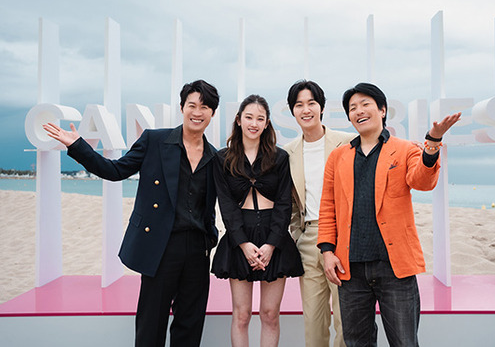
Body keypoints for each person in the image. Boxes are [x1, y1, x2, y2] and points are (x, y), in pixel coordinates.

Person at [43, 80, 220, 347]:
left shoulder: (215, 157)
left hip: (197, 249)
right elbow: (114, 171)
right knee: (151, 323)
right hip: (161, 245)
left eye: (204, 107)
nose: (197, 112)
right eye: (192, 105)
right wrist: (78, 145)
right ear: (181, 108)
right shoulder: (155, 140)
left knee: (190, 325)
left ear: (212, 113)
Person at [317, 82, 461, 347]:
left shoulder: (404, 149)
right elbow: (327, 207)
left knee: (404, 342)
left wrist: (433, 142)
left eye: (365, 104)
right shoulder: (338, 157)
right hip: (351, 270)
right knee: (357, 343)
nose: (359, 111)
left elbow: (423, 181)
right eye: (352, 108)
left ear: (382, 110)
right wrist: (327, 252)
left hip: (395, 268)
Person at [211, 94, 304, 347]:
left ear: (267, 123)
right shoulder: (222, 159)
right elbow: (226, 206)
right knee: (241, 315)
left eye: (260, 118)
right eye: (249, 117)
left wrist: (272, 244)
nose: (254, 123)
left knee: (270, 314)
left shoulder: (280, 157)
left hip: (273, 238)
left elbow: (285, 204)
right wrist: (242, 243)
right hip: (239, 237)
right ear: (239, 120)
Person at [283, 80, 354, 347]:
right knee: (313, 320)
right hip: (308, 237)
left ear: (321, 107)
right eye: (299, 104)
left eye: (311, 103)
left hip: (343, 237)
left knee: (346, 320)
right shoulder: (288, 152)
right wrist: (297, 233)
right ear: (292, 111)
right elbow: (289, 201)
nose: (306, 109)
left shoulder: (346, 142)